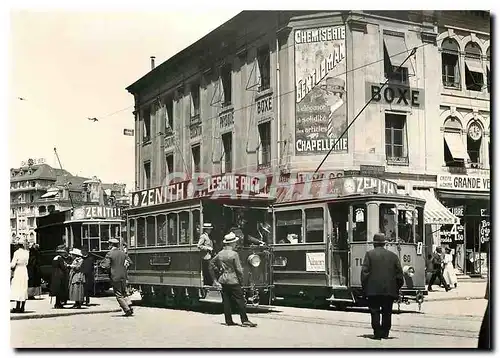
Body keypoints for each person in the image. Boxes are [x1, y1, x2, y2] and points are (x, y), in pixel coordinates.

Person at [361, 233, 404, 339]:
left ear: (374, 243)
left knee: (374, 311)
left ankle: (377, 333)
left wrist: (365, 288)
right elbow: (399, 275)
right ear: (384, 243)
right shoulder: (393, 256)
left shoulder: (369, 255)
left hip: (373, 290)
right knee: (387, 312)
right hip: (389, 291)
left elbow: (364, 273)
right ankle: (385, 333)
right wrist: (396, 288)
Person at [209, 232, 257, 327]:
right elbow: (239, 270)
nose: (236, 244)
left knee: (226, 301)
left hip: (223, 279)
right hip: (233, 280)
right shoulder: (234, 254)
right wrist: (242, 281)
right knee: (240, 301)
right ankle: (244, 320)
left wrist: (217, 273)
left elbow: (211, 264)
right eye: (235, 242)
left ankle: (228, 321)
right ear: (231, 243)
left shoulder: (220, 254)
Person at [101, 238, 134, 316]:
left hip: (115, 276)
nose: (108, 246)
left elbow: (106, 266)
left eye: (109, 244)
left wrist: (102, 265)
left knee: (118, 294)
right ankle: (129, 305)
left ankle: (127, 309)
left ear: (111, 245)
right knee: (124, 292)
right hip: (124, 276)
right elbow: (130, 262)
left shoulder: (110, 254)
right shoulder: (123, 253)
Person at [11, 237, 30, 313]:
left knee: (18, 288)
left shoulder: (16, 253)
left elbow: (13, 264)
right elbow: (27, 263)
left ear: (18, 245)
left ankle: (17, 307)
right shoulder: (27, 253)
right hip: (24, 270)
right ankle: (23, 307)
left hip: (18, 270)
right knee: (24, 288)